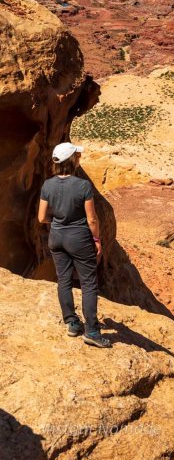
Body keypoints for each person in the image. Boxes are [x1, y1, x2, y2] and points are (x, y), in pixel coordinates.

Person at [38, 142, 111, 348]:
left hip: (56, 237)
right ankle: (93, 332)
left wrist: (58, 221)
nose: (79, 158)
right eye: (77, 155)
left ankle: (71, 323)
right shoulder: (83, 186)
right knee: (88, 284)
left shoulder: (47, 185)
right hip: (79, 239)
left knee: (63, 280)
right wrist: (97, 240)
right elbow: (92, 219)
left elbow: (42, 217)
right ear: (71, 160)